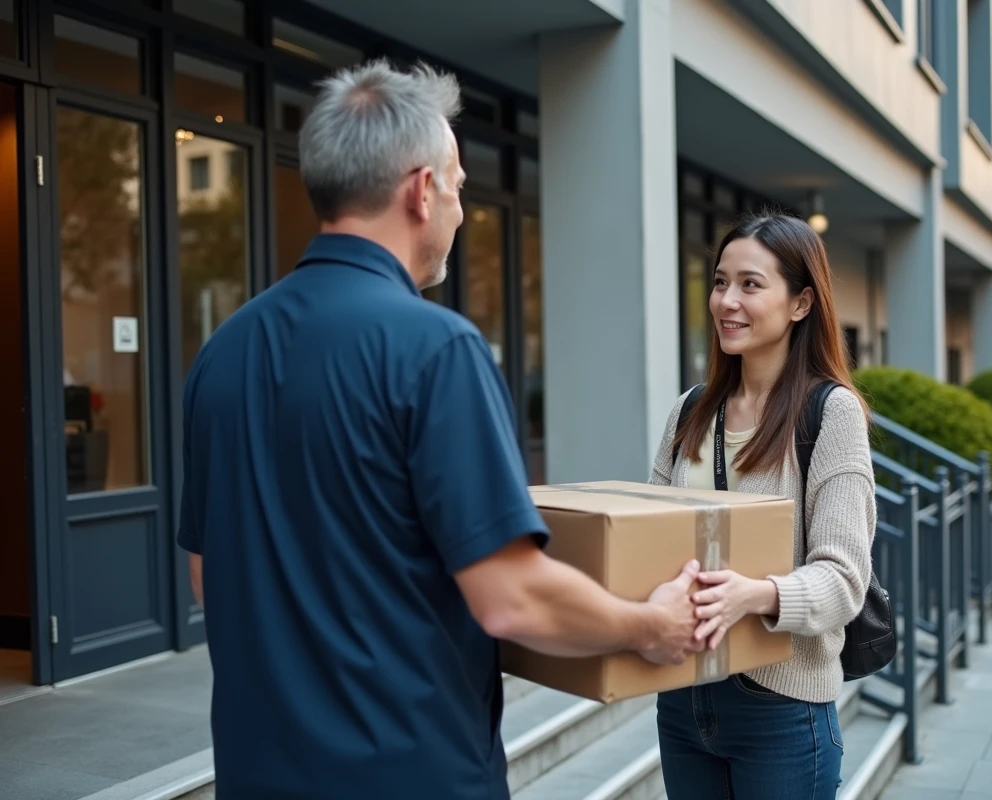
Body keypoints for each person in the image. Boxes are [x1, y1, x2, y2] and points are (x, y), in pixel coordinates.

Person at [177, 59, 703, 800]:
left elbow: (208, 575)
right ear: (422, 191)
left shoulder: (221, 352)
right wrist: (651, 626)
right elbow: (511, 597)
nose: (460, 210)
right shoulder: (438, 349)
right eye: (458, 189)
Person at [649, 213, 876, 799]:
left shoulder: (831, 413)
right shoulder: (690, 411)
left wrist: (755, 594)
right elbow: (647, 534)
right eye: (720, 282)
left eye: (751, 285)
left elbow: (844, 579)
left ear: (801, 303)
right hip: (682, 695)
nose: (727, 300)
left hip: (781, 706)